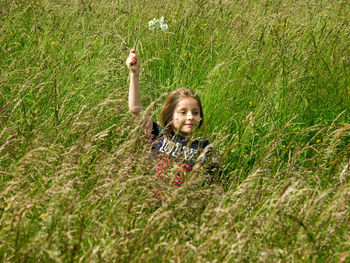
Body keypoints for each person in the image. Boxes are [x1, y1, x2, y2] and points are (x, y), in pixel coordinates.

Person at [126, 49, 220, 188]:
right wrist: (134, 74)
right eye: (183, 112)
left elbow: (216, 185)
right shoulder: (159, 134)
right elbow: (135, 110)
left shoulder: (204, 147)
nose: (190, 117)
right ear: (170, 115)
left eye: (195, 113)